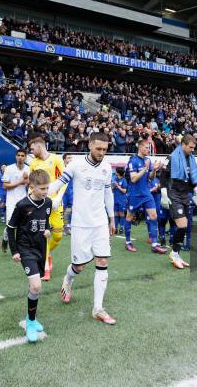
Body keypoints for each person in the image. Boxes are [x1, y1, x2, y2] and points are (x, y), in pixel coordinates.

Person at [47, 132, 117, 325]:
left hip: (100, 222)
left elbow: (107, 193)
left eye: (105, 149)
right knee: (79, 266)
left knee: (102, 261)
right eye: (98, 149)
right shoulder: (76, 164)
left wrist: (111, 218)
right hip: (80, 224)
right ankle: (68, 280)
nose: (102, 153)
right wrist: (39, 194)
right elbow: (58, 185)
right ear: (90, 146)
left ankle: (98, 308)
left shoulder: (107, 167)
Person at [7, 169, 53, 342]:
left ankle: (30, 318)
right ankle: (31, 322)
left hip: (41, 248)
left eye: (47, 188)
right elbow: (11, 229)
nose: (45, 192)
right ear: (31, 187)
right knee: (35, 286)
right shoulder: (22, 205)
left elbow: (46, 221)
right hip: (25, 249)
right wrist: (15, 251)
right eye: (42, 189)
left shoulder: (47, 203)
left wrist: (47, 230)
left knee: (36, 288)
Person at [28, 136, 66, 281]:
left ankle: (46, 253)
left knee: (57, 235)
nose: (31, 152)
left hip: (55, 202)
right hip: (40, 204)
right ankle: (45, 267)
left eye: (32, 149)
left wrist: (59, 197)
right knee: (43, 234)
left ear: (39, 146)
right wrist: (30, 199)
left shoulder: (56, 159)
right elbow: (31, 184)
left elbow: (64, 179)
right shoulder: (33, 163)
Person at [161, 134, 197, 269]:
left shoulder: (191, 159)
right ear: (183, 144)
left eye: (194, 148)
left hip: (185, 194)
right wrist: (164, 194)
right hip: (173, 193)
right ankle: (174, 253)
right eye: (190, 147)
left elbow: (192, 179)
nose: (192, 150)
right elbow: (163, 176)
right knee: (182, 225)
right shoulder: (171, 158)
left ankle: (176, 254)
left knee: (185, 225)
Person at [123, 138, 166, 254]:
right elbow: (133, 178)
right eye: (147, 148)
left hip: (146, 193)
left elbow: (150, 178)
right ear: (140, 147)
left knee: (153, 216)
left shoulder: (148, 160)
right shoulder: (133, 161)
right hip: (134, 194)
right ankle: (127, 242)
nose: (148, 150)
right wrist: (146, 168)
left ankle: (155, 244)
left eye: (149, 148)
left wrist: (154, 170)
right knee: (129, 218)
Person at [1, 149, 29, 252]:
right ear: (16, 156)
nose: (20, 157)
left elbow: (30, 185)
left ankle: (18, 248)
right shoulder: (9, 168)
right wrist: (20, 181)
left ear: (25, 157)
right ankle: (5, 239)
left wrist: (27, 180)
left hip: (24, 201)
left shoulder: (29, 169)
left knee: (22, 225)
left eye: (22, 155)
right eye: (18, 155)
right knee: (10, 225)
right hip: (11, 201)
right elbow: (5, 186)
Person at [112, 167, 128, 235]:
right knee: (116, 214)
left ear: (118, 173)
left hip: (122, 200)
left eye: (116, 171)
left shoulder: (124, 180)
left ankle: (121, 227)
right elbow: (112, 190)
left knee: (121, 214)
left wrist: (117, 186)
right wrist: (113, 186)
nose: (115, 172)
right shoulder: (115, 179)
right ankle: (115, 228)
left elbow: (124, 191)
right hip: (115, 199)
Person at [62, 154, 74, 236]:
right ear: (64, 160)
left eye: (71, 158)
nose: (70, 159)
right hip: (63, 193)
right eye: (68, 158)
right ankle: (63, 228)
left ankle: (69, 228)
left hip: (71, 192)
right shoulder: (60, 168)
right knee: (62, 210)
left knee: (71, 211)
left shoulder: (74, 168)